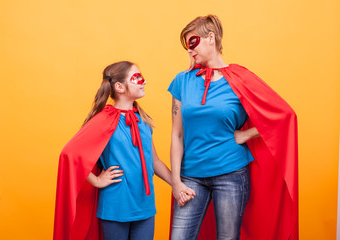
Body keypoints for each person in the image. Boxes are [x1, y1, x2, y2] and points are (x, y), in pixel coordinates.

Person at [168, 15, 298, 240]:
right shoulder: (182, 80)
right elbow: (177, 134)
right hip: (191, 177)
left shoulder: (240, 79)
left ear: (211, 38)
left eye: (193, 43)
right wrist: (176, 181)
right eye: (186, 46)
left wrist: (244, 135)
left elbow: (282, 116)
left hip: (231, 174)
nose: (189, 51)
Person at [54, 61, 172, 240]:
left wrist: (177, 184)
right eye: (137, 77)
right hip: (115, 207)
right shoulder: (104, 120)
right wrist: (96, 180)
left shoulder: (143, 120)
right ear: (119, 87)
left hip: (145, 207)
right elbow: (70, 154)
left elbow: (154, 161)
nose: (144, 81)